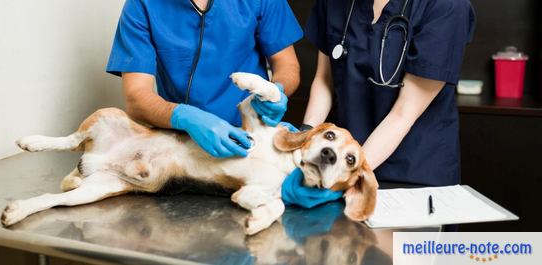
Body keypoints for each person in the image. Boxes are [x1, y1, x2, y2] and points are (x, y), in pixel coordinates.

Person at [299, 0, 476, 189]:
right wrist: (303, 141)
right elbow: (324, 81)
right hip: (340, 161)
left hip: (413, 174)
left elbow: (404, 113)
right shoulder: (335, 4)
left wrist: (346, 177)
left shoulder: (446, 6)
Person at [106, 0, 303, 158]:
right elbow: (137, 98)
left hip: (253, 135)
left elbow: (287, 66)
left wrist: (276, 92)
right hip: (182, 142)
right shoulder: (141, 5)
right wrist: (185, 117)